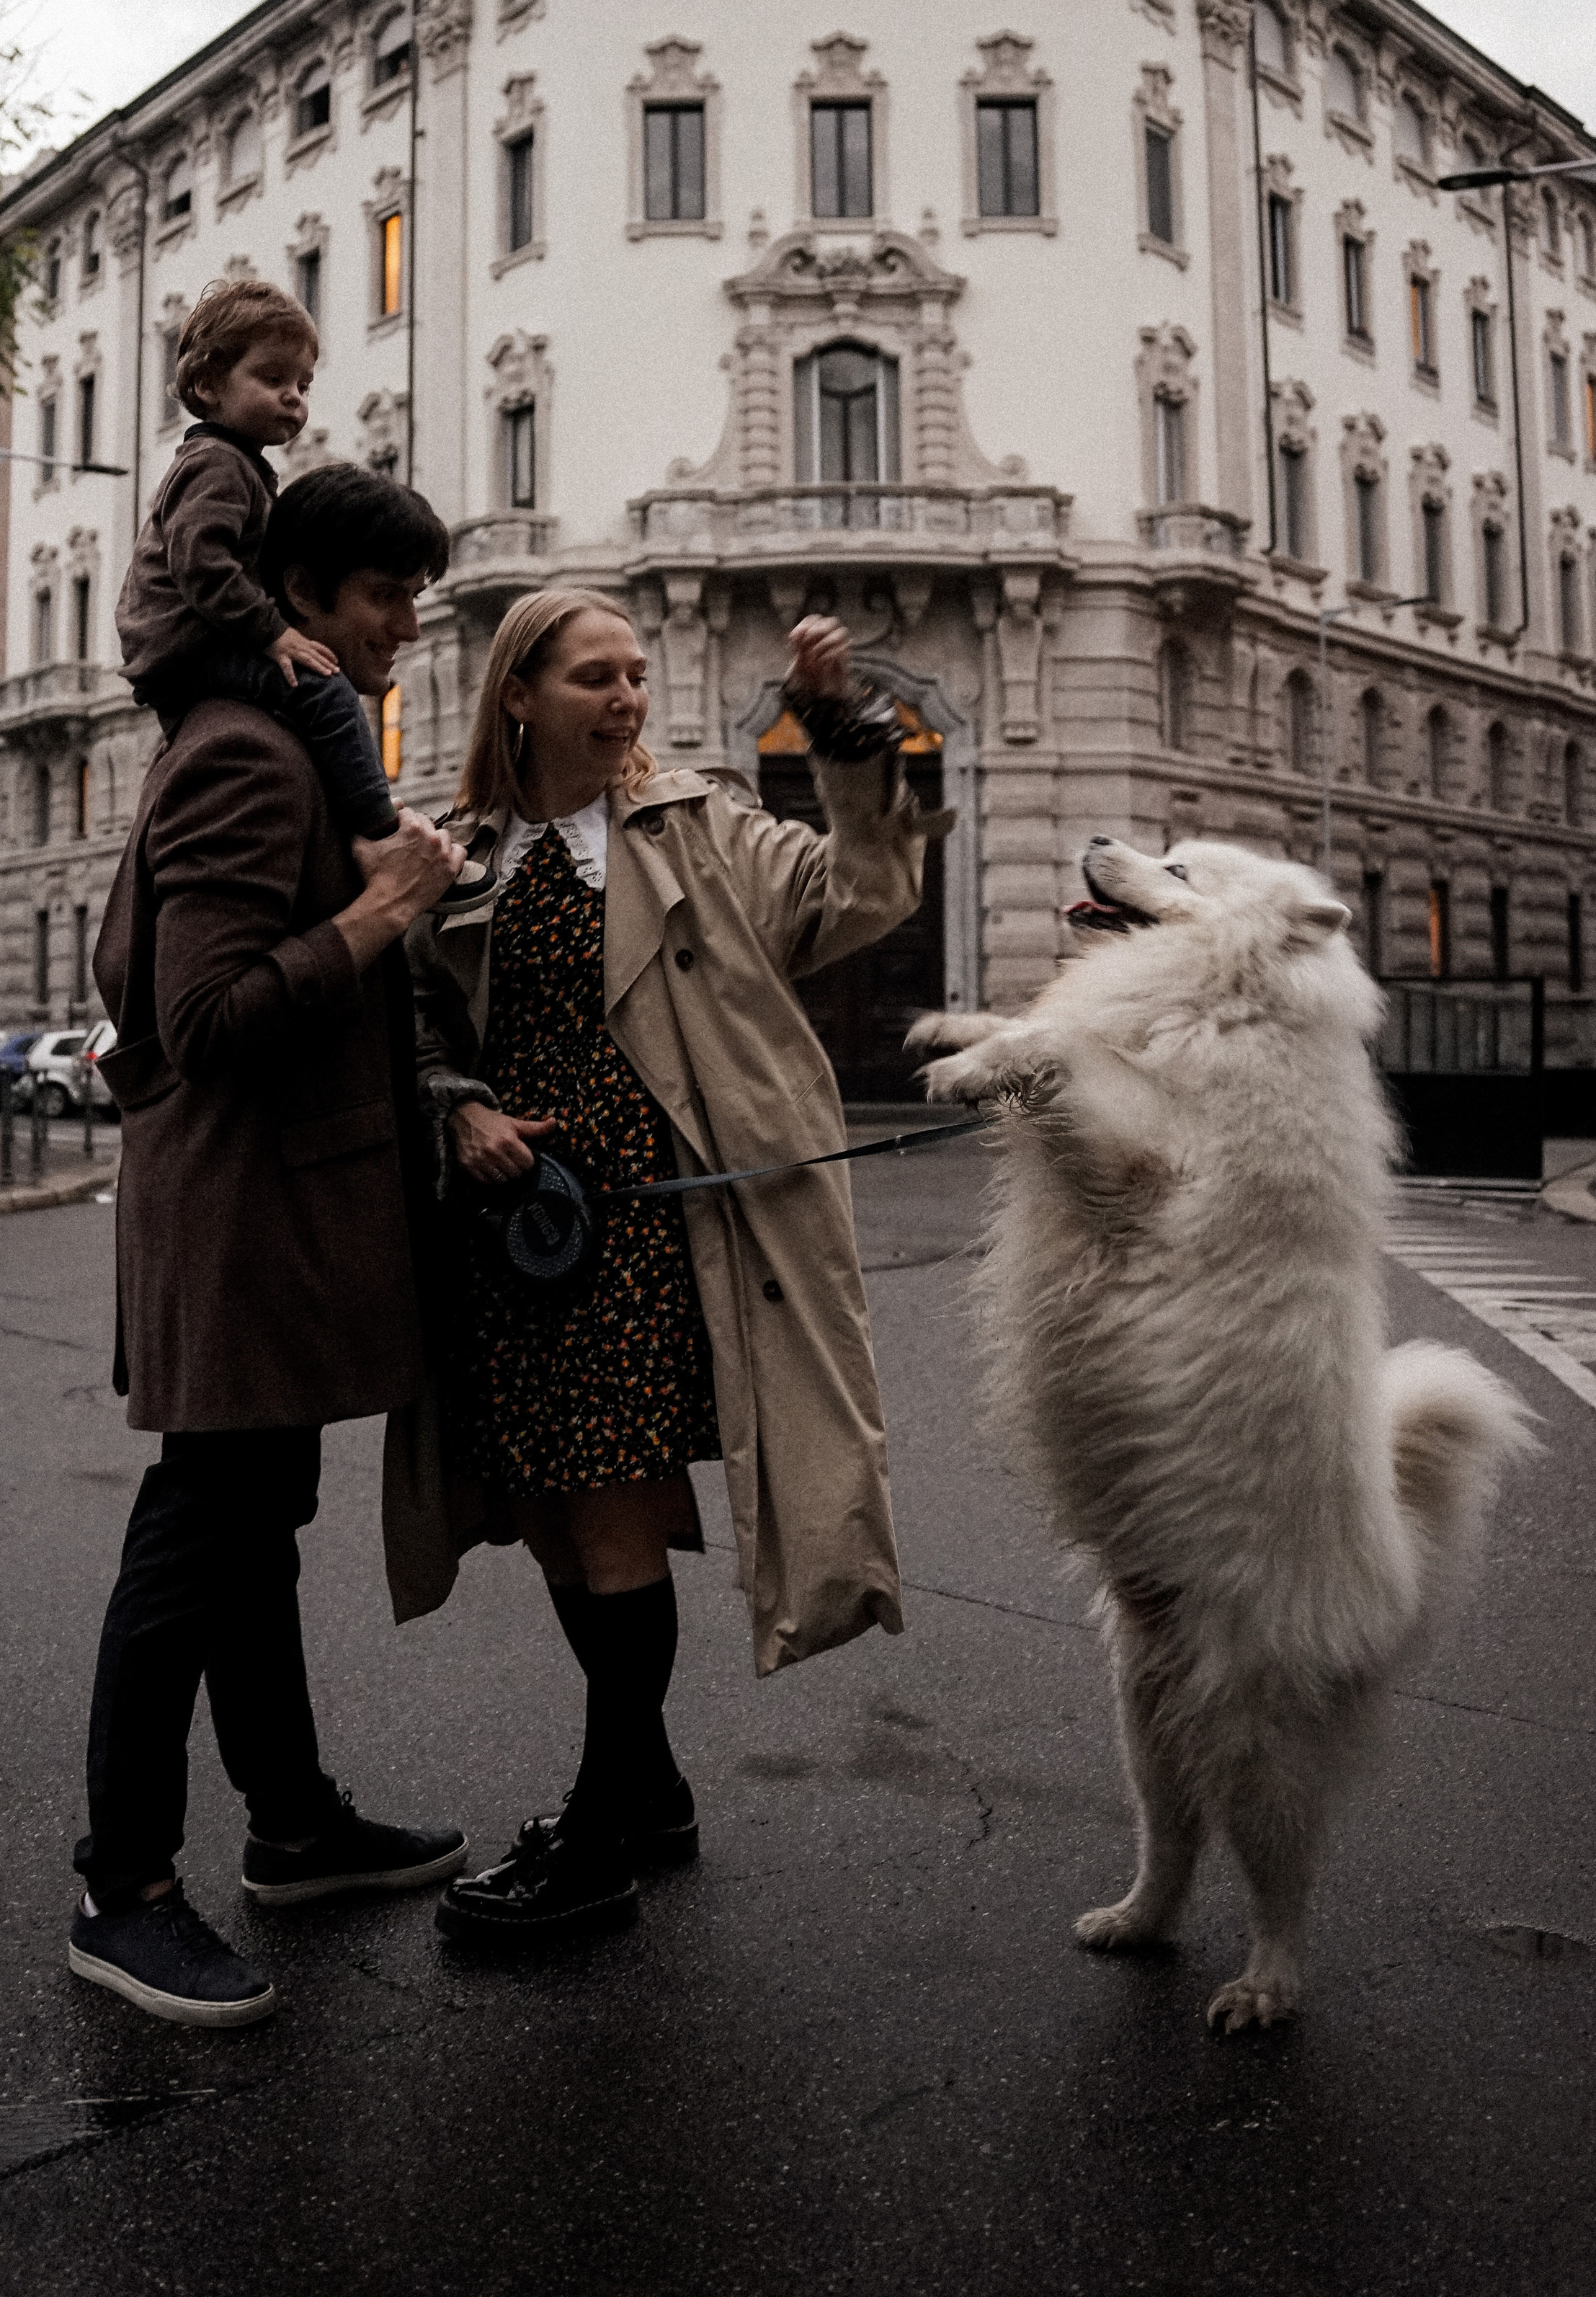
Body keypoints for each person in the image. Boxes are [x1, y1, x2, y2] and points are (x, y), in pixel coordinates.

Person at [398, 587, 950, 1945]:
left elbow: (863, 889)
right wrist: (454, 1104)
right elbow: (405, 1024)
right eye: (597, 676)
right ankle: (648, 1794)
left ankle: (599, 1838)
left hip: (650, 1234)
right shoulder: (461, 849)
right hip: (516, 1242)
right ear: (517, 695)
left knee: (610, 1523)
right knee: (552, 1528)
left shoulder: (694, 829)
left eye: (638, 675)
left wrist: (840, 724)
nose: (630, 698)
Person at [70, 463, 472, 2030]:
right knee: (194, 1545)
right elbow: (205, 1018)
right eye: (385, 597)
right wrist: (379, 918)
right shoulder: (249, 757)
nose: (405, 628)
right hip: (242, 1223)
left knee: (251, 1528)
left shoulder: (278, 747)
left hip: (271, 1220)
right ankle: (122, 1886)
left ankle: (292, 1823)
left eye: (418, 599)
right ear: (299, 592)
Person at [115, 273, 491, 903]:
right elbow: (201, 564)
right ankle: (384, 835)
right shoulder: (216, 466)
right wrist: (275, 634)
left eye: (303, 385)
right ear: (207, 384)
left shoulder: (237, 466)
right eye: (272, 380)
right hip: (189, 648)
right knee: (323, 691)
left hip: (188, 648)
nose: (293, 399)